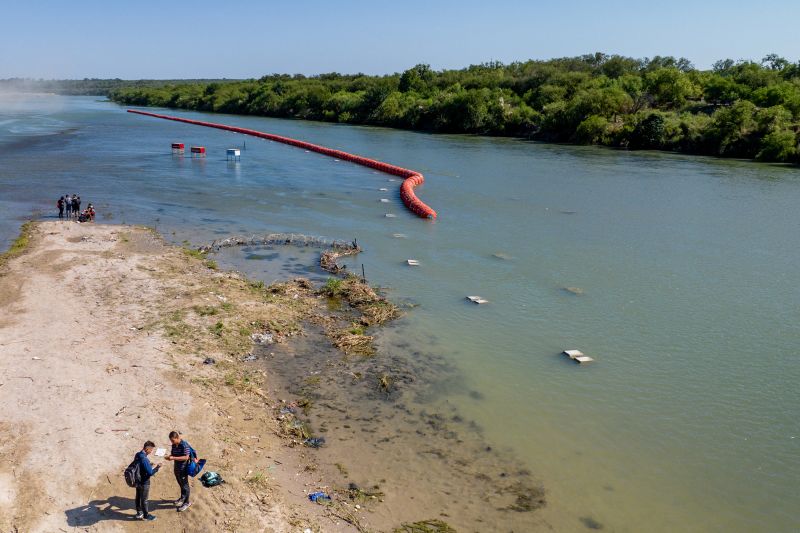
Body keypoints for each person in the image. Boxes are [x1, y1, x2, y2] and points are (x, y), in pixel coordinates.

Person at [166, 431, 195, 512]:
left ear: (177, 438)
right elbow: (173, 454)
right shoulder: (174, 445)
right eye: (171, 440)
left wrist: (173, 458)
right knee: (180, 484)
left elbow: (186, 457)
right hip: (177, 468)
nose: (172, 442)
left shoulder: (184, 445)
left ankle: (187, 502)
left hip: (183, 469)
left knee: (185, 485)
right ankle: (182, 497)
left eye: (173, 440)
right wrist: (169, 457)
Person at [133, 441, 161, 521]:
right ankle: (146, 515)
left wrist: (148, 464)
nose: (151, 452)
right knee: (144, 500)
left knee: (138, 497)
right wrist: (157, 467)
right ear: (147, 449)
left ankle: (139, 512)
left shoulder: (138, 454)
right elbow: (150, 472)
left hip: (137, 480)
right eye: (151, 450)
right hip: (144, 482)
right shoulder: (144, 459)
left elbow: (139, 466)